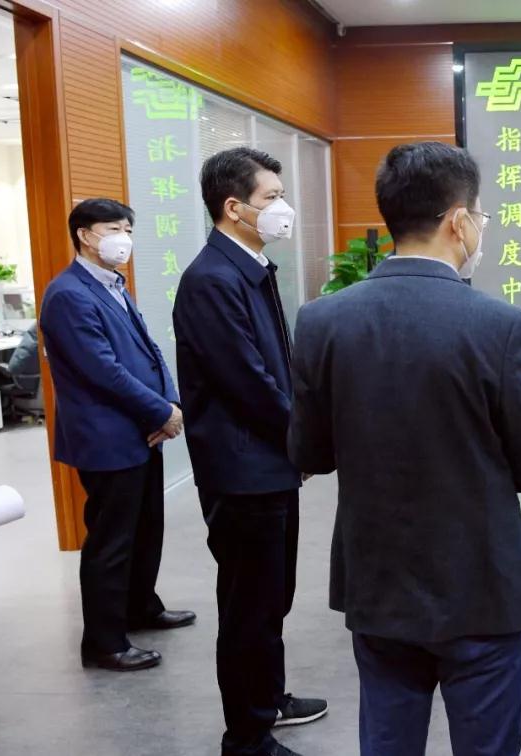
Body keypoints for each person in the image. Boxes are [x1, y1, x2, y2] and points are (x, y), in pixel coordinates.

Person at [288, 141, 521, 756]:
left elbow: (309, 451)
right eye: (481, 215)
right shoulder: (500, 326)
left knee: (388, 740)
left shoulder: (323, 321)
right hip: (480, 584)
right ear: (458, 220)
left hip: (377, 580)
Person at [173, 148, 326, 756]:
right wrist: (304, 437)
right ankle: (247, 736)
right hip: (242, 472)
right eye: (271, 198)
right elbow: (248, 382)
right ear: (234, 207)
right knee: (248, 607)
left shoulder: (249, 266)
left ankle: (269, 698)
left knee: (272, 597)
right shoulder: (212, 279)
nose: (283, 207)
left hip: (268, 465)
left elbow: (276, 369)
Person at [38, 198, 194, 672]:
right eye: (113, 228)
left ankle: (140, 607)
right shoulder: (68, 294)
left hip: (141, 430)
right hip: (107, 438)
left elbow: (149, 351)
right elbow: (102, 371)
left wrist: (171, 404)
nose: (123, 237)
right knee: (111, 540)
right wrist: (160, 411)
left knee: (146, 527)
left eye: (127, 228)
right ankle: (104, 643)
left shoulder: (113, 284)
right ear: (85, 235)